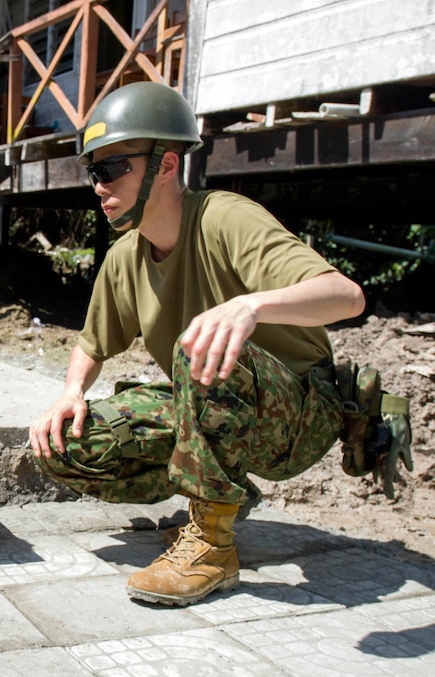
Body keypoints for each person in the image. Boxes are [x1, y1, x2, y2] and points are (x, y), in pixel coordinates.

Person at [28, 82, 365, 607]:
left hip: (300, 415)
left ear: (165, 164)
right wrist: (72, 392)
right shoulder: (125, 256)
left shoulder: (224, 218)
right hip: (221, 404)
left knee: (198, 345)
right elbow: (92, 344)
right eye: (92, 171)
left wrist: (250, 307)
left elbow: (346, 297)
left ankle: (211, 547)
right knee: (67, 444)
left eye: (112, 167)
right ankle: (226, 495)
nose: (98, 185)